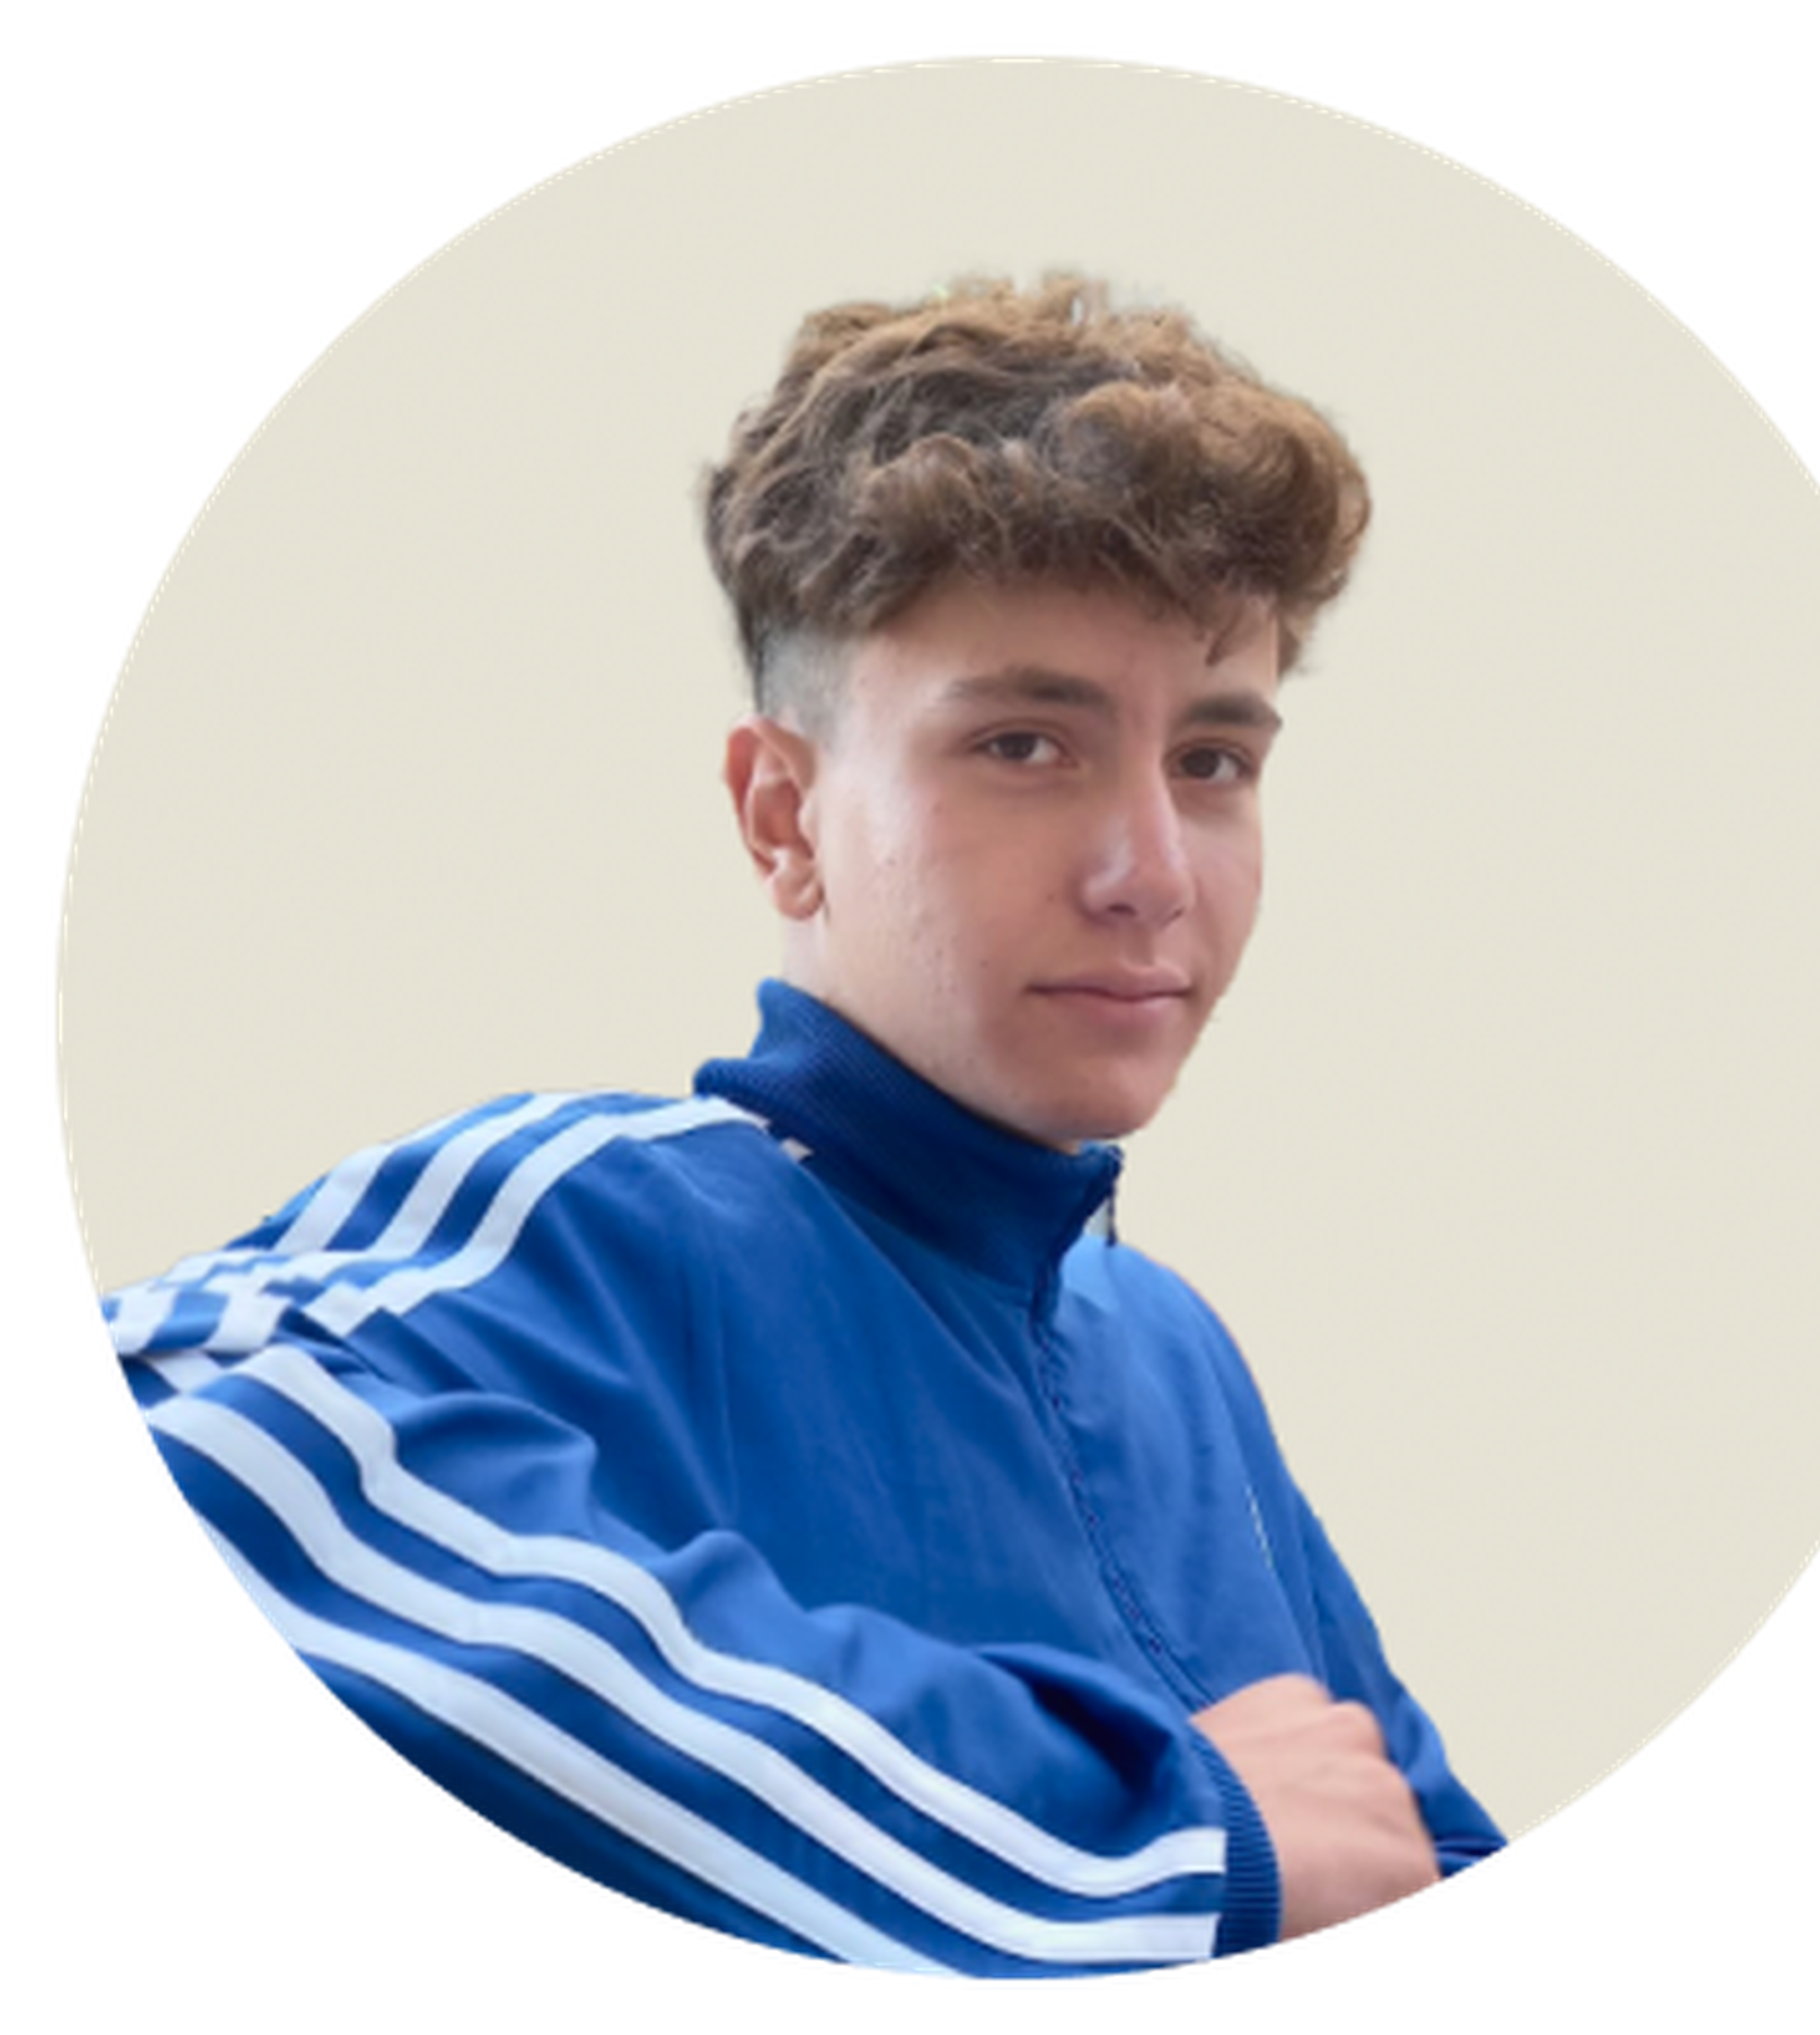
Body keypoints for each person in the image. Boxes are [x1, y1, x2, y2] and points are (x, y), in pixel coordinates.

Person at [98, 274, 1506, 1980]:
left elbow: (1402, 1847)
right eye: (1025, 744)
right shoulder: (600, 1224)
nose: (1150, 873)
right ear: (784, 815)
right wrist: (1155, 1836)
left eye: (1213, 761)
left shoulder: (1177, 1358)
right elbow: (204, 1458)